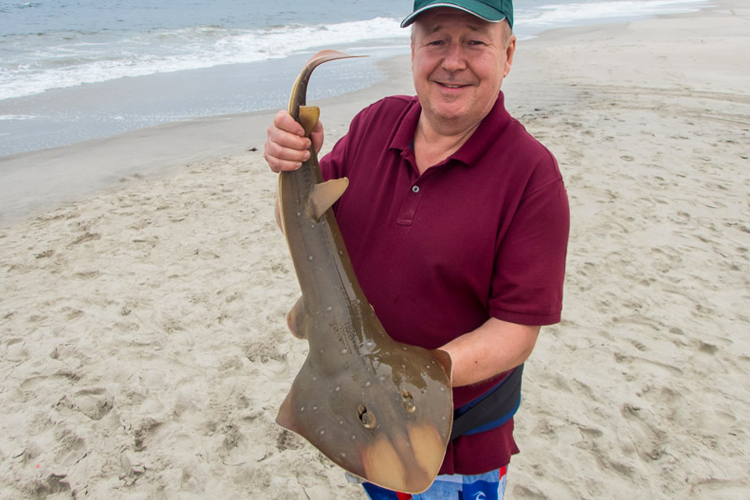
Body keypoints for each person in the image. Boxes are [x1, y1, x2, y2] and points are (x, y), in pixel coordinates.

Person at [264, 0, 570, 498]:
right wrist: (293, 165)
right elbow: (304, 232)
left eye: (474, 41)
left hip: (456, 437)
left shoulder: (532, 176)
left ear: (508, 53)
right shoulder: (374, 124)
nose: (453, 61)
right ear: (412, 51)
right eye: (436, 40)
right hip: (363, 416)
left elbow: (517, 331)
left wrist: (415, 380)